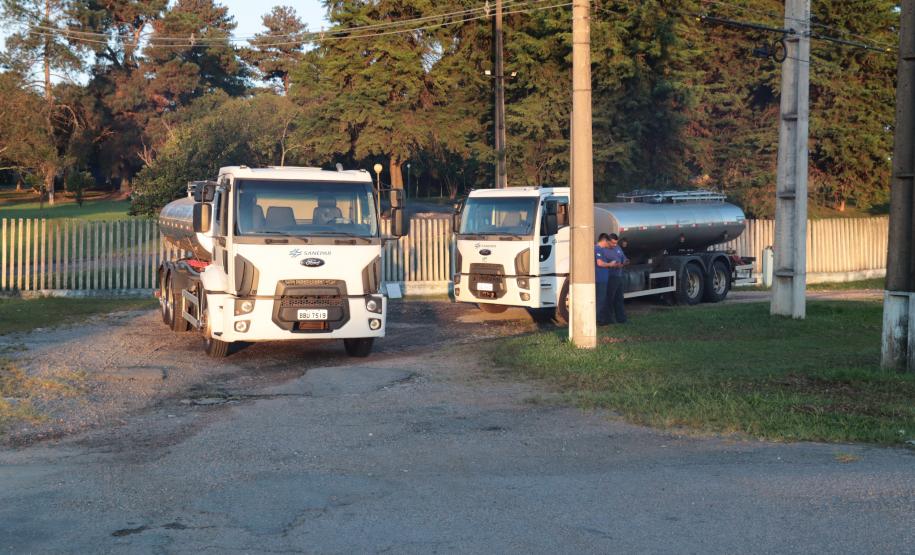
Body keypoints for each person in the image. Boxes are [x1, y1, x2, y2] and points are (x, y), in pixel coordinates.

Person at [605, 233, 629, 324]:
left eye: (616, 243)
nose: (614, 245)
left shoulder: (618, 248)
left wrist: (626, 261)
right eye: (613, 243)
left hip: (619, 276)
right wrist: (613, 265)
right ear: (608, 241)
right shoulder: (604, 250)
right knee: (610, 299)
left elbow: (624, 258)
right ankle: (609, 319)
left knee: (619, 298)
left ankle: (621, 319)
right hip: (610, 277)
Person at [594, 233, 614, 325]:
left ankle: (602, 319)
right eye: (608, 242)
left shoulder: (600, 249)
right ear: (604, 240)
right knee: (600, 300)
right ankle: (598, 320)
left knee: (602, 300)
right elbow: (599, 263)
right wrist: (610, 264)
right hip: (600, 278)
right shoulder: (598, 249)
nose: (608, 244)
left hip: (602, 278)